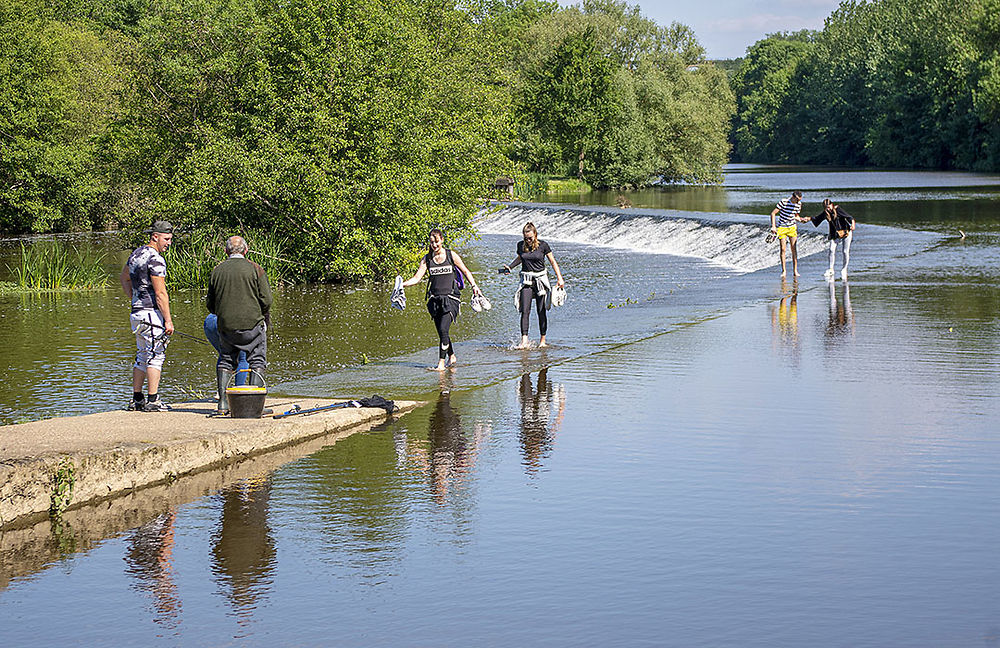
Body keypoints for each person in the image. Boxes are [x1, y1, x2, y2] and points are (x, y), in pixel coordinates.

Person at [207, 235, 273, 414]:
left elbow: (210, 305)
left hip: (226, 325)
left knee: (226, 360)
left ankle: (223, 405)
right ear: (246, 250)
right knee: (257, 359)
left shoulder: (217, 270)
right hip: (252, 324)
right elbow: (267, 300)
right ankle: (252, 407)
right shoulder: (256, 269)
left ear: (226, 251)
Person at [400, 228, 483, 371]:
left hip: (451, 299)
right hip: (434, 300)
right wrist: (402, 284)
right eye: (432, 242)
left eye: (437, 242)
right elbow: (417, 278)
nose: (434, 245)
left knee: (444, 329)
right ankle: (452, 356)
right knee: (441, 331)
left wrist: (475, 286)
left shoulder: (451, 255)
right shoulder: (427, 259)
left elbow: (465, 271)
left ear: (442, 240)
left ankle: (440, 364)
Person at [120, 220, 174, 412]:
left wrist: (134, 299)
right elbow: (160, 293)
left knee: (142, 355)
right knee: (155, 356)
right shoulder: (156, 259)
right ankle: (153, 400)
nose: (169, 243)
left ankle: (137, 399)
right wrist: (168, 320)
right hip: (152, 314)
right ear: (155, 237)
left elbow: (124, 278)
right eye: (166, 239)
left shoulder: (136, 254)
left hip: (137, 313)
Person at [500, 222, 565, 349]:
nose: (528, 240)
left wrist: (560, 278)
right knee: (525, 310)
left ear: (535, 235)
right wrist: (510, 267)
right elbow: (520, 258)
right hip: (526, 280)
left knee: (541, 311)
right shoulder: (520, 245)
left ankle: (542, 340)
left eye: (530, 238)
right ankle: (524, 341)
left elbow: (552, 261)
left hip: (541, 280)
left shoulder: (543, 245)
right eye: (526, 238)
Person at [811, 198, 856, 280]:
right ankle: (831, 269)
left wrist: (853, 224)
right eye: (826, 207)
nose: (827, 209)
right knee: (831, 250)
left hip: (846, 232)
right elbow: (816, 219)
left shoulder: (838, 210)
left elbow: (850, 218)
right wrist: (806, 219)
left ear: (832, 205)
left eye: (828, 207)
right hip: (835, 234)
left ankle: (844, 269)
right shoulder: (826, 213)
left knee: (845, 251)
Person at [769, 191, 804, 278]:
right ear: (793, 197)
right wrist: (773, 227)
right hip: (782, 227)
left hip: (792, 227)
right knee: (783, 249)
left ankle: (795, 270)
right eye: (797, 200)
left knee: (793, 249)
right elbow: (773, 213)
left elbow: (795, 215)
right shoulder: (783, 202)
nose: (798, 202)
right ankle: (784, 271)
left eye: (799, 200)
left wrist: (801, 219)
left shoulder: (799, 204)